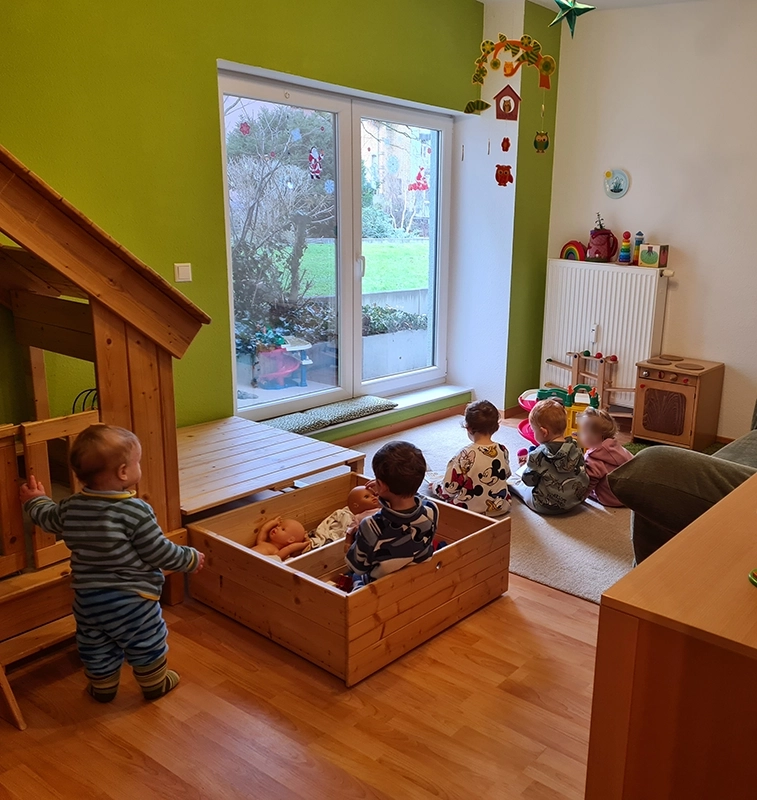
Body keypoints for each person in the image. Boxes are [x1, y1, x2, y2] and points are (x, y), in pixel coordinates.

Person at [19, 424, 204, 704]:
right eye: (137, 462)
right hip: (132, 599)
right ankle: (155, 684)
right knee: (147, 641)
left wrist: (35, 501)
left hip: (88, 599)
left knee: (95, 643)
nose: (139, 466)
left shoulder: (71, 506)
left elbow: (47, 518)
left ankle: (103, 687)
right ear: (123, 472)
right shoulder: (135, 511)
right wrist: (189, 558)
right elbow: (158, 552)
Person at [346, 441, 437, 583]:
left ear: (381, 485)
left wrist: (349, 542)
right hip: (420, 577)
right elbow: (419, 497)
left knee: (355, 577)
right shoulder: (432, 509)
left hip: (383, 585)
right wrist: (383, 487)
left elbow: (356, 566)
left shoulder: (371, 525)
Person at [430, 400, 511, 516]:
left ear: (468, 428)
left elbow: (448, 490)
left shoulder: (464, 456)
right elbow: (506, 474)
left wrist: (435, 487)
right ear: (496, 427)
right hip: (500, 507)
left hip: (469, 511)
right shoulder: (502, 449)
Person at [508, 399, 589, 514]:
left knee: (514, 481)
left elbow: (529, 482)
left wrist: (529, 469)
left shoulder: (537, 454)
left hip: (544, 505)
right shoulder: (576, 447)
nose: (533, 433)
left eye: (534, 430)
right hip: (575, 501)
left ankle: (523, 468)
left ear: (544, 432)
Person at [577, 407, 633, 507]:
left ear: (596, 437)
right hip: (628, 496)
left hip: (611, 499)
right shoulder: (615, 447)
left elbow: (590, 481)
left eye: (583, 432)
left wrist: (580, 498)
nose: (580, 434)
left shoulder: (593, 456)